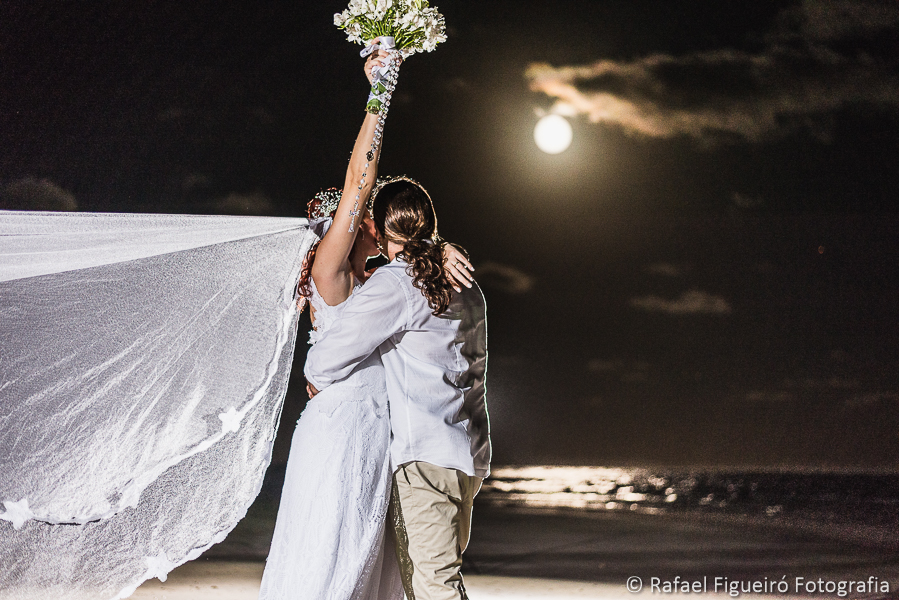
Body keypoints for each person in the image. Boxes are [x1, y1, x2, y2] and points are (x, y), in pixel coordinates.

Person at [258, 51, 473, 600]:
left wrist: (441, 246)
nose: (374, 226)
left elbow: (410, 252)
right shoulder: (333, 274)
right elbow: (362, 175)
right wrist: (381, 90)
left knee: (372, 564)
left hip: (382, 431)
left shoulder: (382, 282)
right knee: (334, 559)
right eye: (363, 220)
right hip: (346, 428)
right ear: (344, 229)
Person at [305, 177, 490, 600]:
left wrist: (319, 378)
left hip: (426, 456)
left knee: (433, 587)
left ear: (382, 228)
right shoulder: (466, 285)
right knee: (435, 578)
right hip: (471, 455)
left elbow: (324, 359)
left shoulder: (398, 283)